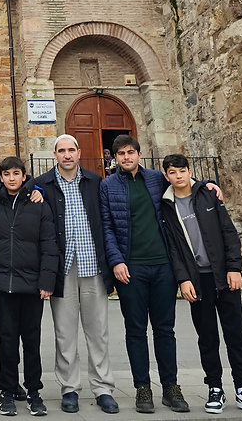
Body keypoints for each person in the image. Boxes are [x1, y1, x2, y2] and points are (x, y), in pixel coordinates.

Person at [159, 154, 242, 417]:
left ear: (190, 172)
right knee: (207, 337)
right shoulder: (165, 205)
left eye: (182, 171)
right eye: (172, 172)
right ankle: (215, 388)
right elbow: (173, 248)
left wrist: (234, 268)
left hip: (224, 275)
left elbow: (228, 233)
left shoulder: (208, 195)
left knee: (236, 334)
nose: (178, 176)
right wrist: (183, 279)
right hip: (198, 281)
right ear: (166, 176)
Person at [100, 134, 189, 414]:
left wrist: (209, 185)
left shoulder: (156, 179)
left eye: (130, 152)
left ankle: (171, 387)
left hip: (163, 266)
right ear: (115, 158)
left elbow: (184, 185)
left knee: (165, 329)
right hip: (131, 268)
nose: (126, 157)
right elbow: (106, 226)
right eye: (121, 154)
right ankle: (142, 388)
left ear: (139, 154)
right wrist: (116, 261)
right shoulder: (107, 186)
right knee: (136, 330)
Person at [34, 134, 118, 414]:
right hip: (62, 267)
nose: (67, 155)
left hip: (93, 264)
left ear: (79, 153)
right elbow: (8, 189)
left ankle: (103, 388)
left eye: (71, 150)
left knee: (98, 331)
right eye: (62, 150)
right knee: (65, 332)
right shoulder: (42, 184)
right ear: (55, 154)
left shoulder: (96, 182)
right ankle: (69, 387)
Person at [0, 158, 57, 418]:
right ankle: (7, 390)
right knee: (7, 341)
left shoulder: (39, 204)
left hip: (31, 285)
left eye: (16, 173)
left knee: (31, 341)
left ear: (24, 176)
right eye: (6, 174)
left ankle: (34, 391)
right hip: (2, 283)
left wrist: (47, 281)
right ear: (1, 177)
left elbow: (49, 244)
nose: (11, 178)